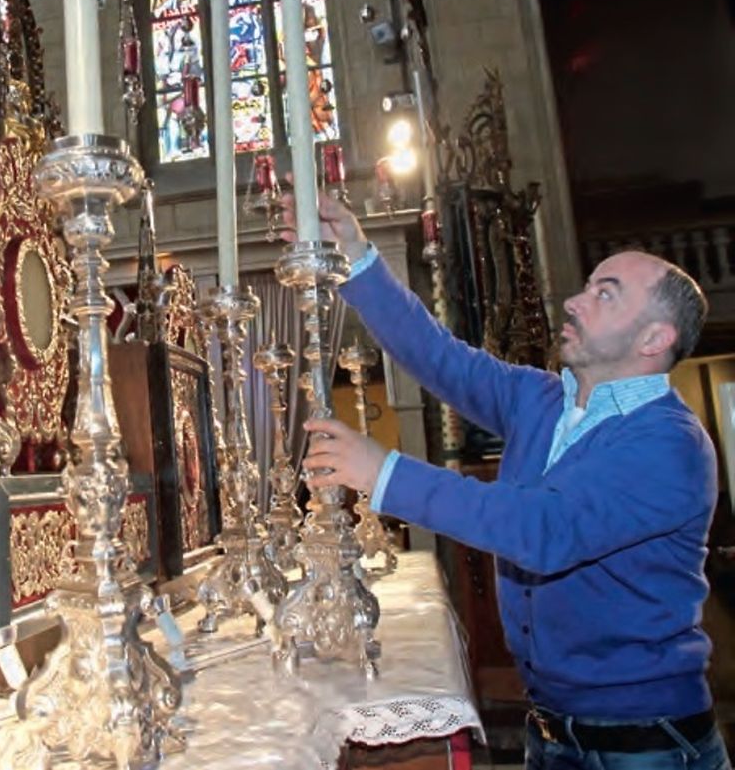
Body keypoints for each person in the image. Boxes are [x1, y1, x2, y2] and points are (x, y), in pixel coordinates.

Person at [291, 190, 731, 770]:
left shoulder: (670, 444)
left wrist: (384, 471)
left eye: (606, 294)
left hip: (644, 743)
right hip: (550, 731)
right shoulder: (541, 400)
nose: (575, 301)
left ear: (654, 340)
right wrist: (354, 250)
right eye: (588, 286)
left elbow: (542, 529)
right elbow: (436, 355)